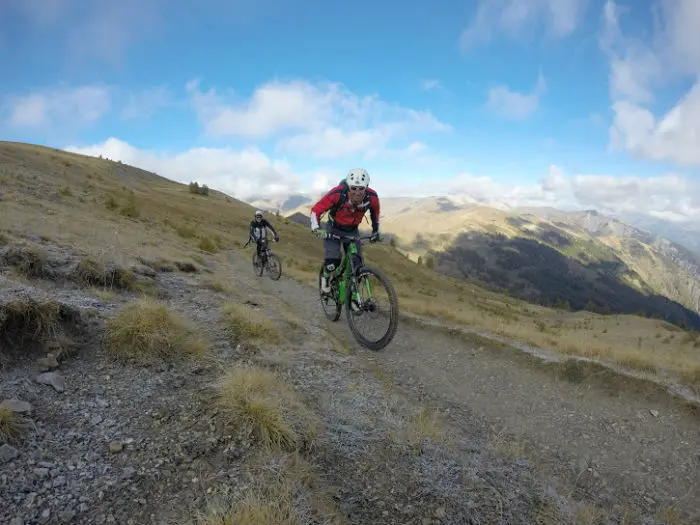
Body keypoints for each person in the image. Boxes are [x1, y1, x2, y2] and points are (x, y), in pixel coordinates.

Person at [309, 168, 382, 294]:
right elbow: (316, 210)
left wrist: (375, 231)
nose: (357, 192)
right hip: (334, 229)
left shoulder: (372, 197)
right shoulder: (337, 193)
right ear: (348, 186)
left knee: (357, 266)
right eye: (354, 188)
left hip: (352, 230)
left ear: (366, 187)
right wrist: (316, 228)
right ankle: (325, 277)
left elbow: (375, 214)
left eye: (361, 188)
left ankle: (352, 296)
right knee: (332, 263)